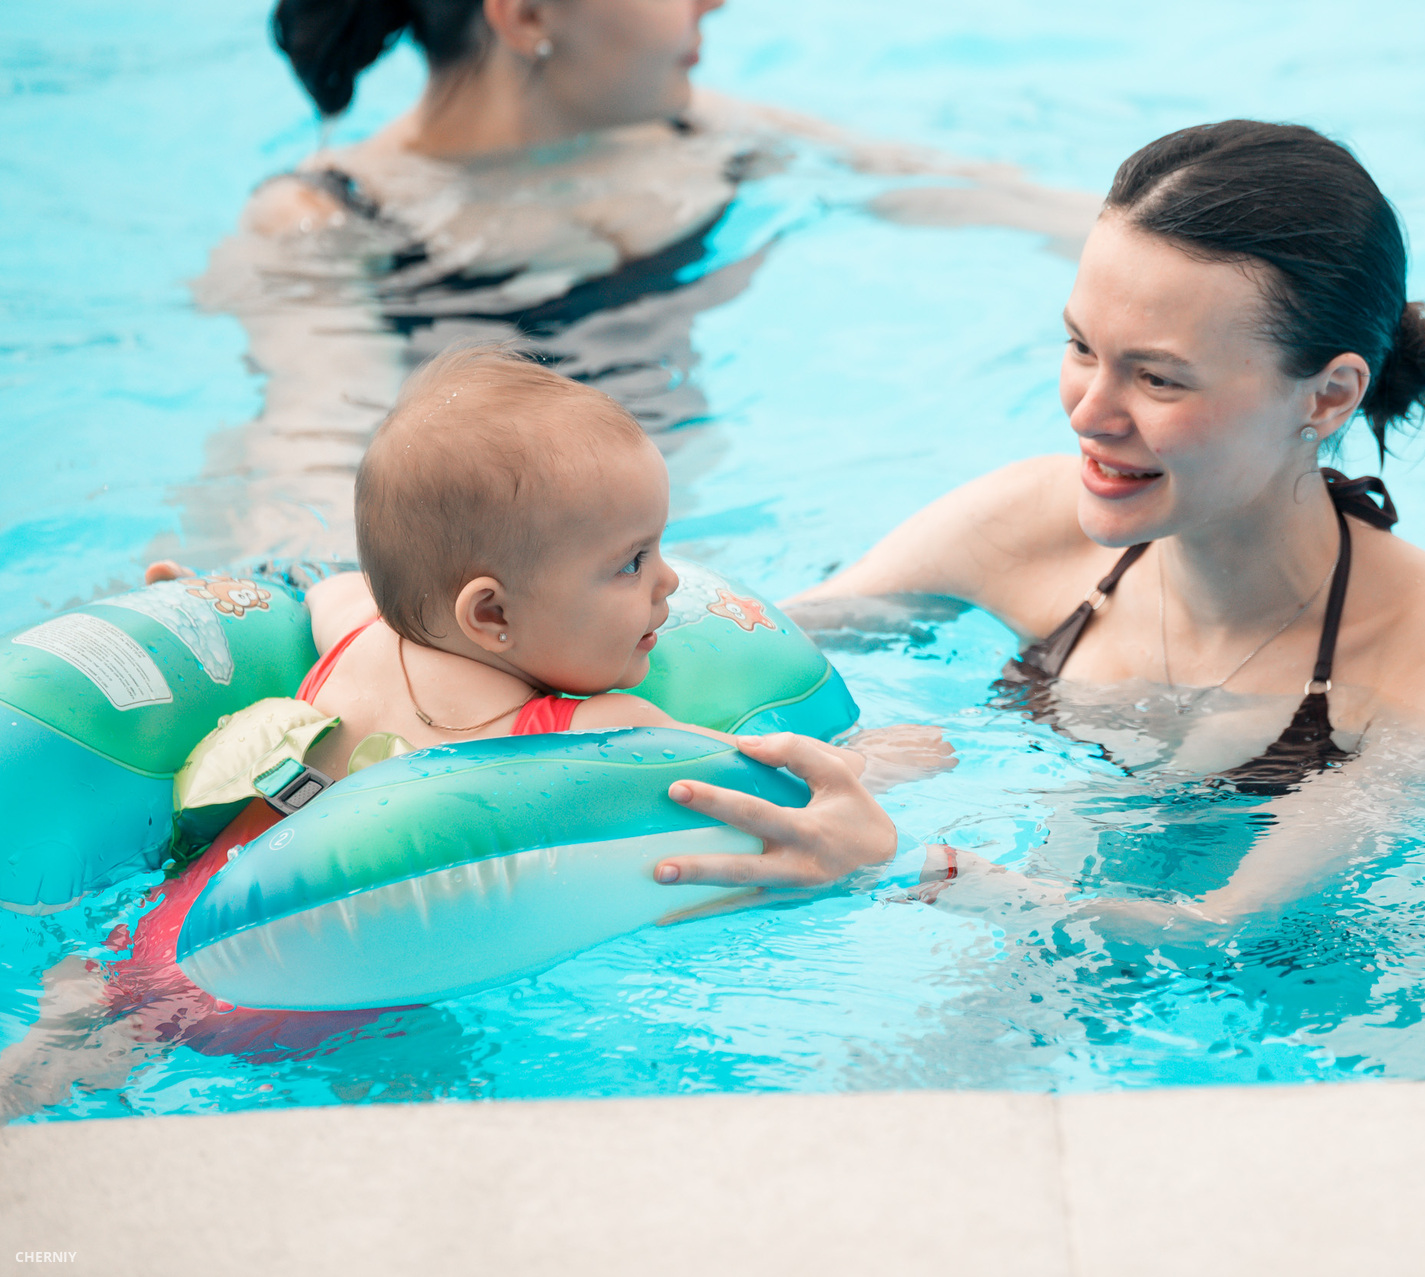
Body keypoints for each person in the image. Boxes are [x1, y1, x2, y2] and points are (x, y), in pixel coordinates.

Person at [0, 344, 945, 1120]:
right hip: (324, 990)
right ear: (490, 614)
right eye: (632, 562)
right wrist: (878, 762)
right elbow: (747, 787)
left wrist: (192, 594)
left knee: (94, 1050)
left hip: (157, 940)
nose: (669, 584)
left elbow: (310, 589)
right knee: (447, 1093)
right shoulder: (592, 725)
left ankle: (63, 1038)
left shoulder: (353, 631)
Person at [785, 121, 1425, 918]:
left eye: (1157, 379)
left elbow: (1219, 928)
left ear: (1328, 396)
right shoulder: (1018, 524)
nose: (1088, 414)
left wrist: (894, 866)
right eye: (1081, 346)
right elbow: (745, 643)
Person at [184, 0, 1102, 567]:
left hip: (650, 561)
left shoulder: (705, 134)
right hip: (468, 574)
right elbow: (315, 457)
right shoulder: (334, 219)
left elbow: (989, 199)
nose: (717, 3)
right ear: (526, 17)